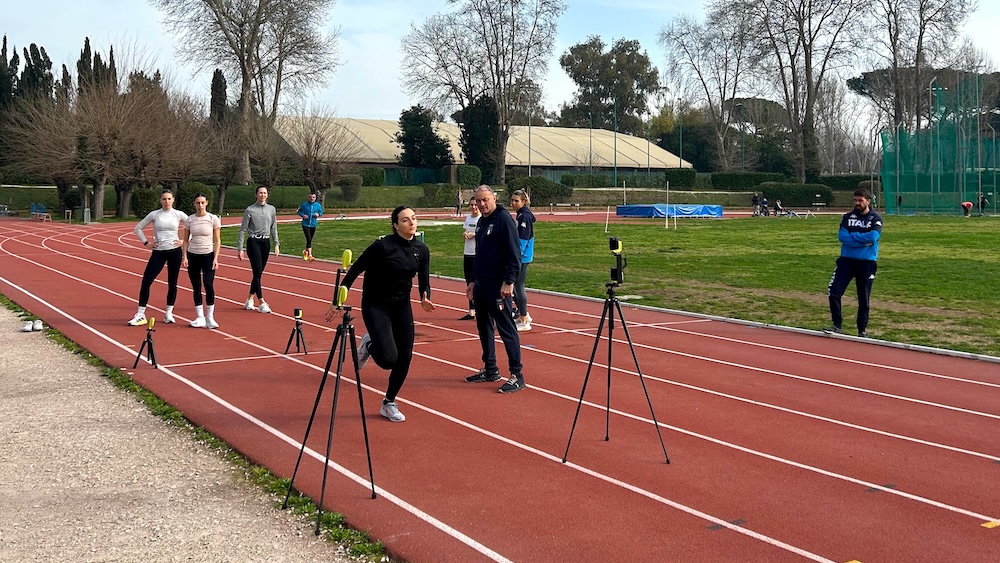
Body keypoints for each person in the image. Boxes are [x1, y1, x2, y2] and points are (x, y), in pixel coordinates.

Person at [325, 206, 434, 423]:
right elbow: (355, 270)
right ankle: (369, 344)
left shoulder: (421, 250)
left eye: (413, 218)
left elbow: (424, 280)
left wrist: (425, 297)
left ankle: (389, 402)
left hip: (401, 306)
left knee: (405, 357)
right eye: (405, 220)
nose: (411, 223)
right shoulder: (382, 246)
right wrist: (337, 300)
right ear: (395, 225)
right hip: (376, 305)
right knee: (387, 359)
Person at [464, 185, 525, 393]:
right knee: (483, 327)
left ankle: (517, 374)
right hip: (482, 284)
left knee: (506, 328)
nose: (481, 204)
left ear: (494, 198)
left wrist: (509, 281)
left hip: (499, 286)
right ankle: (491, 369)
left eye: (485, 200)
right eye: (478, 201)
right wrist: (473, 280)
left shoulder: (503, 219)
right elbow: (479, 255)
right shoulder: (482, 222)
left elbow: (514, 253)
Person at [825, 188, 882, 338]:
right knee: (834, 292)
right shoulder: (847, 217)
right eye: (855, 200)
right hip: (846, 262)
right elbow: (843, 237)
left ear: (868, 201)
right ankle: (837, 325)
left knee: (864, 298)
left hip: (867, 263)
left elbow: (873, 237)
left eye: (860, 200)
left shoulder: (875, 219)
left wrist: (854, 237)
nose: (857, 203)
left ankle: (861, 330)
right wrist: (861, 241)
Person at [128, 190, 188, 326]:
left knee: (172, 282)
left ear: (173, 200)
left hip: (174, 252)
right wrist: (146, 243)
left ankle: (168, 313)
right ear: (160, 201)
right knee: (147, 280)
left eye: (169, 199)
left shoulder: (178, 214)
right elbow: (138, 228)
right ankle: (141, 313)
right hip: (159, 252)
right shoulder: (155, 214)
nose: (166, 202)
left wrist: (184, 240)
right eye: (164, 199)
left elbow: (193, 226)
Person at [236, 186, 280, 314]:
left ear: (267, 195)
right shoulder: (250, 210)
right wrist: (240, 248)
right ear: (256, 195)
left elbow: (274, 227)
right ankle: (261, 301)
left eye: (264, 193)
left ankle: (250, 298)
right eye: (260, 193)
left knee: (258, 273)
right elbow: (243, 229)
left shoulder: (271, 209)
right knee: (257, 271)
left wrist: (276, 243)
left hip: (265, 242)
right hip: (253, 241)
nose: (262, 195)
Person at [182, 193, 221, 329]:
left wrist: (216, 258)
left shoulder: (212, 219)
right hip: (193, 255)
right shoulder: (190, 220)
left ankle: (210, 317)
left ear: (206, 203)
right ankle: (200, 317)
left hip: (208, 255)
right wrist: (185, 257)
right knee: (196, 286)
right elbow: (185, 240)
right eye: (197, 203)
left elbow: (217, 240)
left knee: (208, 284)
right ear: (194, 204)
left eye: (202, 203)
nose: (200, 205)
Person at [510, 189, 535, 331]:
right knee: (515, 286)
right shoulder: (521, 215)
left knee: (517, 286)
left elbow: (523, 239)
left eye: (516, 201)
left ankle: (524, 319)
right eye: (512, 200)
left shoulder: (524, 217)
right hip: (521, 255)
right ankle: (523, 313)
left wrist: (515, 255)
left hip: (522, 256)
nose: (513, 203)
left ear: (523, 202)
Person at [459, 199, 480, 320]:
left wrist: (474, 234)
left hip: (478, 254)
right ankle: (471, 310)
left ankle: (479, 309)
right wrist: (466, 233)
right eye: (471, 205)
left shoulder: (482, 219)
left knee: (477, 282)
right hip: (467, 253)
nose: (473, 207)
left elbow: (482, 232)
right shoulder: (468, 218)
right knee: (468, 282)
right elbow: (466, 229)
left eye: (475, 205)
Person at [296, 191, 323, 261]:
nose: (312, 199)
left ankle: (305, 252)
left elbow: (321, 212)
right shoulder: (304, 205)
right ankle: (310, 255)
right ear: (308, 198)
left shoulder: (318, 205)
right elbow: (298, 211)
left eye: (313, 197)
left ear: (315, 198)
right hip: (305, 224)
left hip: (313, 224)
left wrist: (318, 214)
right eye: (310, 197)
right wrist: (303, 215)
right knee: (309, 239)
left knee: (310, 240)